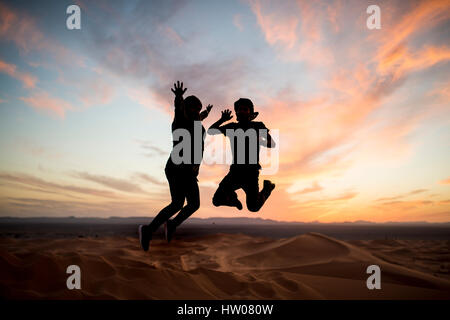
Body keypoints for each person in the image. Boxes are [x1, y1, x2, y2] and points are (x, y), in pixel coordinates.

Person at [139, 81, 212, 251]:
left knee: (181, 204)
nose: (196, 111)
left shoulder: (195, 121)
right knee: (187, 204)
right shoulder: (181, 120)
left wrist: (206, 113)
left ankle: (155, 228)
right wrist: (179, 97)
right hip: (179, 168)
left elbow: (199, 117)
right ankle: (156, 228)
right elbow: (179, 110)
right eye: (192, 107)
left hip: (185, 170)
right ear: (186, 108)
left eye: (198, 108)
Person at [208, 98, 275, 212]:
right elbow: (211, 131)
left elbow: (272, 143)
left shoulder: (258, 126)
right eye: (239, 109)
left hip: (251, 174)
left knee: (253, 207)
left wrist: (260, 140)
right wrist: (222, 120)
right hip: (235, 172)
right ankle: (233, 200)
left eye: (245, 109)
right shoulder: (232, 127)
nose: (242, 111)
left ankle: (267, 189)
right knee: (216, 200)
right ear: (236, 112)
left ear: (250, 112)